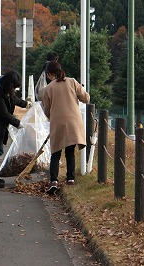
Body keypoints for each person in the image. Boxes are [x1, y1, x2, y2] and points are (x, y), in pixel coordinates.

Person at [42, 61, 90, 195]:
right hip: (73, 122)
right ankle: (70, 179)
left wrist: (53, 116)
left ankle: (54, 181)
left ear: (50, 74)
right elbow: (85, 98)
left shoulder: (48, 88)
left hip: (58, 122)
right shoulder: (72, 82)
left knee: (55, 153)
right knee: (70, 151)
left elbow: (47, 110)